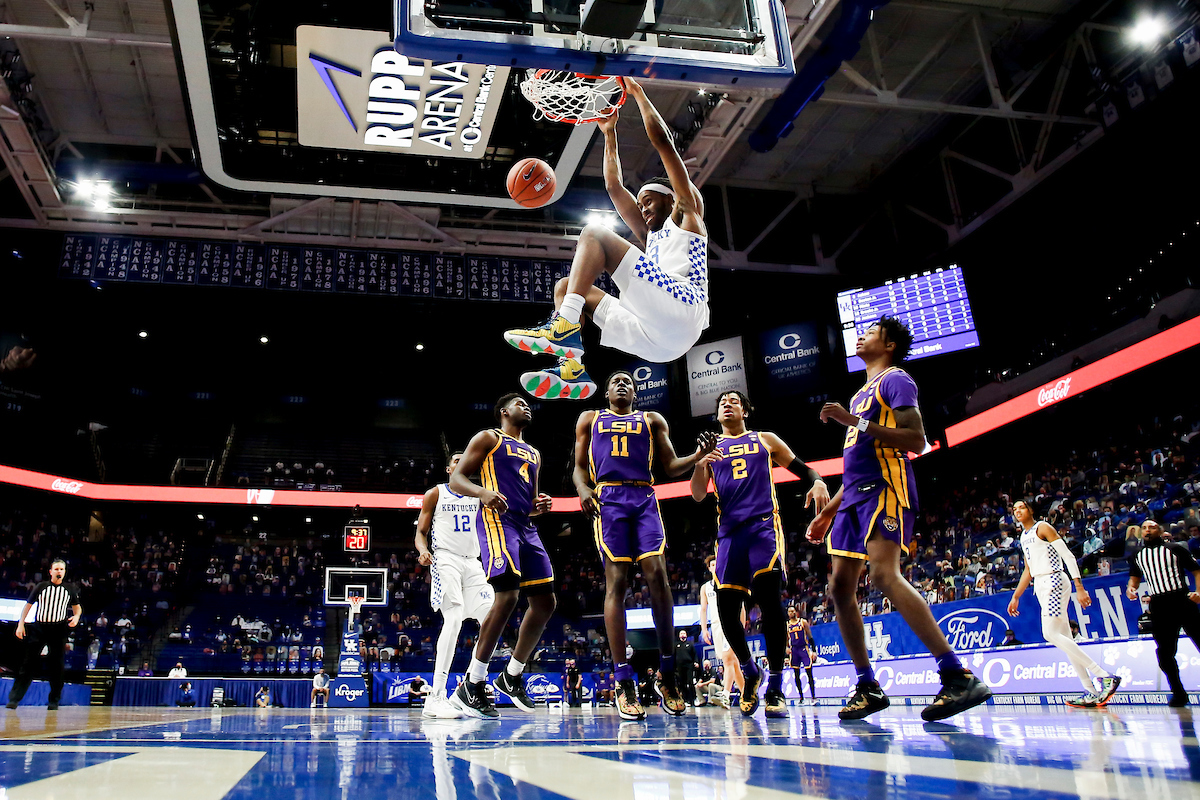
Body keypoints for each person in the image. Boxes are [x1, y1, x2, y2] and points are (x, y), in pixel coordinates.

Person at [806, 317, 991, 721]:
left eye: (870, 332)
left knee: (885, 576)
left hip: (886, 488)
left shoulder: (896, 379)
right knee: (839, 589)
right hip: (854, 498)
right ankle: (867, 685)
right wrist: (827, 514)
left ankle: (956, 674)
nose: (860, 336)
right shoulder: (858, 396)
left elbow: (916, 440)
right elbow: (853, 468)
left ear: (888, 345)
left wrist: (851, 422)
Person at [504, 78, 708, 397]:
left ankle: (563, 327)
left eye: (648, 200)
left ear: (672, 199)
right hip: (657, 343)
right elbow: (614, 187)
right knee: (567, 288)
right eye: (639, 203)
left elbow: (664, 144)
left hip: (683, 306)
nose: (641, 208)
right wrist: (609, 133)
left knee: (595, 234)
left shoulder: (688, 215)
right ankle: (572, 370)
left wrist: (639, 94)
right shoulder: (650, 235)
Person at [573, 370, 719, 720]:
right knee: (617, 582)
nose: (621, 384)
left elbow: (670, 466)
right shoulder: (589, 419)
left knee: (657, 576)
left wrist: (698, 455)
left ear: (636, 394)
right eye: (615, 381)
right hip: (608, 497)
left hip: (643, 496)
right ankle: (624, 681)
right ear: (607, 392)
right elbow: (579, 468)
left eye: (628, 382)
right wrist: (582, 490)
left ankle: (667, 675)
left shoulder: (651, 419)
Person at [692, 390, 830, 718]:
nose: (727, 403)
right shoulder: (711, 449)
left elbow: (801, 467)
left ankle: (777, 688)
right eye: (722, 402)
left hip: (763, 528)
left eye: (733, 400)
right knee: (726, 608)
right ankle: (749, 670)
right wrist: (700, 464)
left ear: (745, 410)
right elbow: (698, 495)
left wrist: (819, 481)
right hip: (728, 534)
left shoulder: (764, 439)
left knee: (770, 603)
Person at [449, 394, 555, 719]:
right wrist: (483, 493)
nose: (526, 406)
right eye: (519, 403)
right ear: (503, 412)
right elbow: (457, 478)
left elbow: (530, 499)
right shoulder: (489, 438)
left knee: (546, 602)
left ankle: (511, 675)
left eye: (528, 404)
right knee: (507, 594)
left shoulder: (535, 452)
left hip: (525, 525)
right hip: (497, 521)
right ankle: (473, 682)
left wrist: (538, 506)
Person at [1007, 499, 1120, 707]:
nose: (1017, 511)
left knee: (1049, 633)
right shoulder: (1024, 536)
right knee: (1065, 639)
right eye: (1014, 509)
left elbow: (1067, 555)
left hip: (1055, 579)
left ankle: (1103, 675)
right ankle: (1091, 691)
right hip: (1040, 584)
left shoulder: (1043, 527)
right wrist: (1016, 595)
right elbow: (1028, 569)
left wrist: (1079, 586)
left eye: (1021, 507)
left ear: (1031, 510)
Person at [415, 452, 496, 720]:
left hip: (474, 562)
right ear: (449, 468)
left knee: (492, 621)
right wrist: (423, 550)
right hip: (445, 558)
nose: (461, 463)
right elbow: (421, 532)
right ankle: (435, 697)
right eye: (456, 460)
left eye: (466, 460)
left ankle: (470, 687)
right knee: (453, 620)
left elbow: (509, 510)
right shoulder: (435, 494)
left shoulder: (479, 494)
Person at [1126, 518, 1200, 706]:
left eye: (1151, 527)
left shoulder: (1174, 549)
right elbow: (1135, 577)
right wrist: (1130, 588)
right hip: (1159, 604)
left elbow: (1197, 571)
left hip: (1181, 599)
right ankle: (1178, 693)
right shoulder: (1137, 554)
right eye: (1144, 528)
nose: (1147, 530)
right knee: (1165, 654)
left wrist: (1199, 592)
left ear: (1159, 530)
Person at [5, 558, 82, 711]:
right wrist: (21, 624)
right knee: (28, 664)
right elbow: (28, 606)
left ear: (64, 572)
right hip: (39, 627)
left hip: (59, 628)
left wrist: (76, 617)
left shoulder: (70, 589)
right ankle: (14, 700)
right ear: (50, 571)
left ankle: (54, 701)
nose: (59, 572)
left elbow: (77, 608)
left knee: (57, 666)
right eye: (57, 569)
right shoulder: (41, 586)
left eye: (62, 569)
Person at [699, 554, 743, 709]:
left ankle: (725, 694)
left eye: (716, 563)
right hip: (716, 626)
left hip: (730, 623)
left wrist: (741, 626)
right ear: (709, 568)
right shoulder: (705, 587)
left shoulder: (729, 581)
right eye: (711, 564)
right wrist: (704, 629)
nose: (714, 566)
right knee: (734, 663)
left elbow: (741, 606)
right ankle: (746, 695)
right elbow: (703, 610)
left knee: (728, 659)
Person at [786, 606, 816, 703]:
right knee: (796, 674)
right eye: (789, 611)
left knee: (809, 673)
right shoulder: (787, 625)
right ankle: (801, 697)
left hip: (803, 648)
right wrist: (786, 648)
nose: (791, 613)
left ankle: (813, 697)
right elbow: (786, 640)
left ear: (796, 612)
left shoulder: (803, 622)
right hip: (794, 650)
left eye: (792, 611)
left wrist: (814, 650)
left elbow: (810, 636)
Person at [674, 630, 698, 707]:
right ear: (679, 635)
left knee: (690, 682)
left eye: (684, 633)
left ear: (686, 635)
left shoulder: (690, 644)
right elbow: (674, 656)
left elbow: (695, 654)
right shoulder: (676, 645)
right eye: (681, 633)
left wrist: (696, 662)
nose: (682, 634)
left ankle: (693, 699)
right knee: (682, 684)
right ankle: (685, 699)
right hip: (680, 666)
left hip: (689, 665)